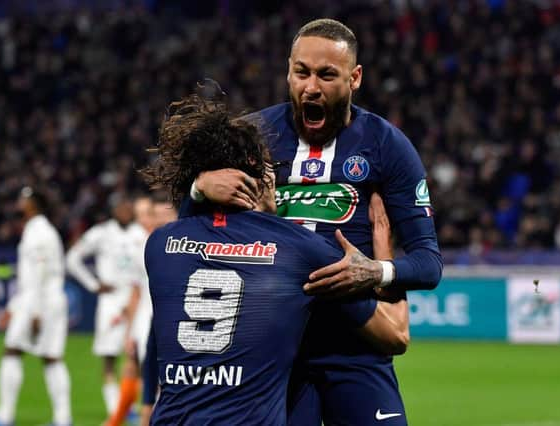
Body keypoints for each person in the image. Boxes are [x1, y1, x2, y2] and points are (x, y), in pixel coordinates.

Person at [186, 19, 442, 425]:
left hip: (356, 349)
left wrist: (376, 270)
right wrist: (199, 188)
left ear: (354, 77)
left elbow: (429, 265)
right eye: (301, 72)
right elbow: (188, 227)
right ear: (288, 69)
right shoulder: (251, 136)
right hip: (274, 353)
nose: (311, 87)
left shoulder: (386, 145)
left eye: (327, 75)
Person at [141, 94, 409, 425]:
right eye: (272, 167)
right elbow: (396, 334)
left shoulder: (160, 245)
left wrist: (198, 186)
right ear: (256, 175)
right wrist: (382, 246)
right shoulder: (298, 250)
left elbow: (191, 224)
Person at [0, 187, 71, 426]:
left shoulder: (40, 232)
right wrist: (14, 307)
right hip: (40, 301)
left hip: (42, 302)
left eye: (25, 198)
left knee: (14, 350)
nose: (20, 202)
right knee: (50, 357)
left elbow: (40, 275)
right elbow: (30, 277)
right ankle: (62, 419)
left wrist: (35, 312)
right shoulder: (36, 230)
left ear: (34, 204)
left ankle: (5, 417)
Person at [65, 194, 145, 416]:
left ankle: (130, 405)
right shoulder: (101, 233)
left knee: (135, 354)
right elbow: (72, 258)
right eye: (121, 207)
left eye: (128, 206)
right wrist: (93, 284)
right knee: (109, 356)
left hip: (136, 297)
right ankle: (116, 410)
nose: (125, 211)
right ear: (113, 210)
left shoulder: (141, 233)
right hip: (110, 299)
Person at [106, 195, 177, 426]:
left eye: (163, 214)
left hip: (167, 319)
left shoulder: (183, 246)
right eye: (154, 215)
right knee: (135, 369)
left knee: (159, 377)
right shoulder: (144, 247)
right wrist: (129, 330)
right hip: (144, 319)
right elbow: (136, 290)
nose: (158, 220)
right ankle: (120, 419)